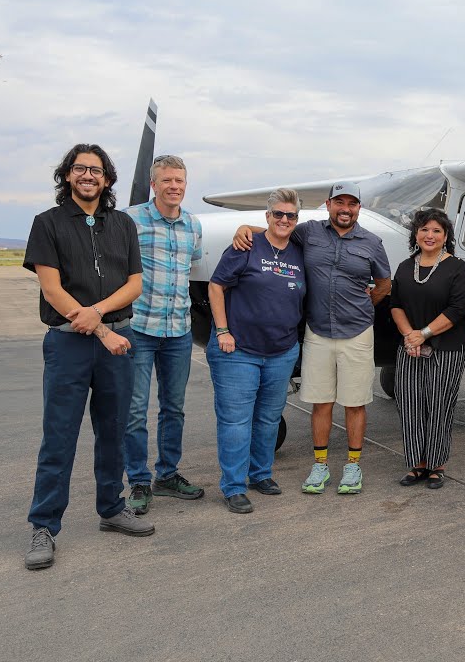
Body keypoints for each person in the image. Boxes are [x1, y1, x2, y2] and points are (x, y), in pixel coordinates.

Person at [21, 143, 153, 571]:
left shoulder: (123, 225)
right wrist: (98, 329)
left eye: (95, 170)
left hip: (119, 338)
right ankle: (44, 526)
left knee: (113, 432)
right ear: (67, 176)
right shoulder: (48, 224)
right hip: (69, 344)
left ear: (107, 179)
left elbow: (134, 284)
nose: (88, 176)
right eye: (80, 169)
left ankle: (111, 509)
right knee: (58, 437)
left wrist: (98, 314)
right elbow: (53, 290)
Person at [232, 181, 391, 495]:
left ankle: (352, 466)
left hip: (357, 332)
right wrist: (243, 227)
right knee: (321, 402)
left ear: (358, 208)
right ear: (328, 204)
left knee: (355, 403)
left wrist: (362, 305)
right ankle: (320, 465)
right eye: (339, 203)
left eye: (352, 204)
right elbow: (276, 228)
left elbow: (384, 285)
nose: (345, 209)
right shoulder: (308, 232)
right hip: (317, 331)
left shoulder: (372, 242)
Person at [208, 189, 307, 514]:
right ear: (267, 217)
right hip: (239, 350)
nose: (283, 220)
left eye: (290, 215)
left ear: (296, 219)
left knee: (267, 419)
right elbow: (216, 285)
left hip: (281, 352)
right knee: (236, 421)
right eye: (277, 214)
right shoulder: (246, 245)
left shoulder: (298, 252)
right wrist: (223, 331)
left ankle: (260, 475)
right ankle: (234, 487)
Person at [121, 154, 205, 516]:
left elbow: (195, 266)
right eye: (167, 180)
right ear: (153, 184)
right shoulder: (131, 220)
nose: (174, 187)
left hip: (178, 331)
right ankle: (138, 480)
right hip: (140, 327)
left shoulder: (193, 225)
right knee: (136, 410)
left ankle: (167, 475)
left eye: (180, 181)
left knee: (175, 408)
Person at [390, 209, 465, 489]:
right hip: (410, 347)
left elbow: (457, 309)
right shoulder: (404, 266)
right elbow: (396, 304)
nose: (430, 235)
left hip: (446, 348)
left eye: (437, 230)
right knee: (410, 405)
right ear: (416, 233)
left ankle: (437, 464)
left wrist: (423, 334)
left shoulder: (457, 267)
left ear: (446, 236)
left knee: (439, 407)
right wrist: (409, 336)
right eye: (424, 229)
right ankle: (417, 464)